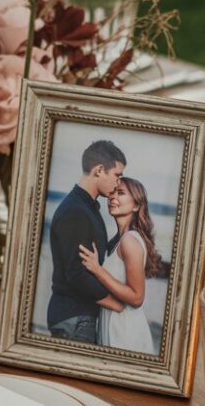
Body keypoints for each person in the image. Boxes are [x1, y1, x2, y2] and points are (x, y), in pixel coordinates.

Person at [46, 140, 127, 344]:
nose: (118, 183)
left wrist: (125, 228)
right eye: (117, 176)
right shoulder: (76, 211)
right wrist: (115, 304)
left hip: (77, 316)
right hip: (74, 317)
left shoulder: (86, 207)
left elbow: (100, 256)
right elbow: (76, 275)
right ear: (99, 170)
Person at [78, 176, 163, 354]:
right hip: (113, 325)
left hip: (125, 331)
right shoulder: (118, 241)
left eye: (121, 193)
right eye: (112, 193)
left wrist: (98, 269)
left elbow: (137, 297)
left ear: (136, 206)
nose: (112, 197)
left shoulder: (129, 241)